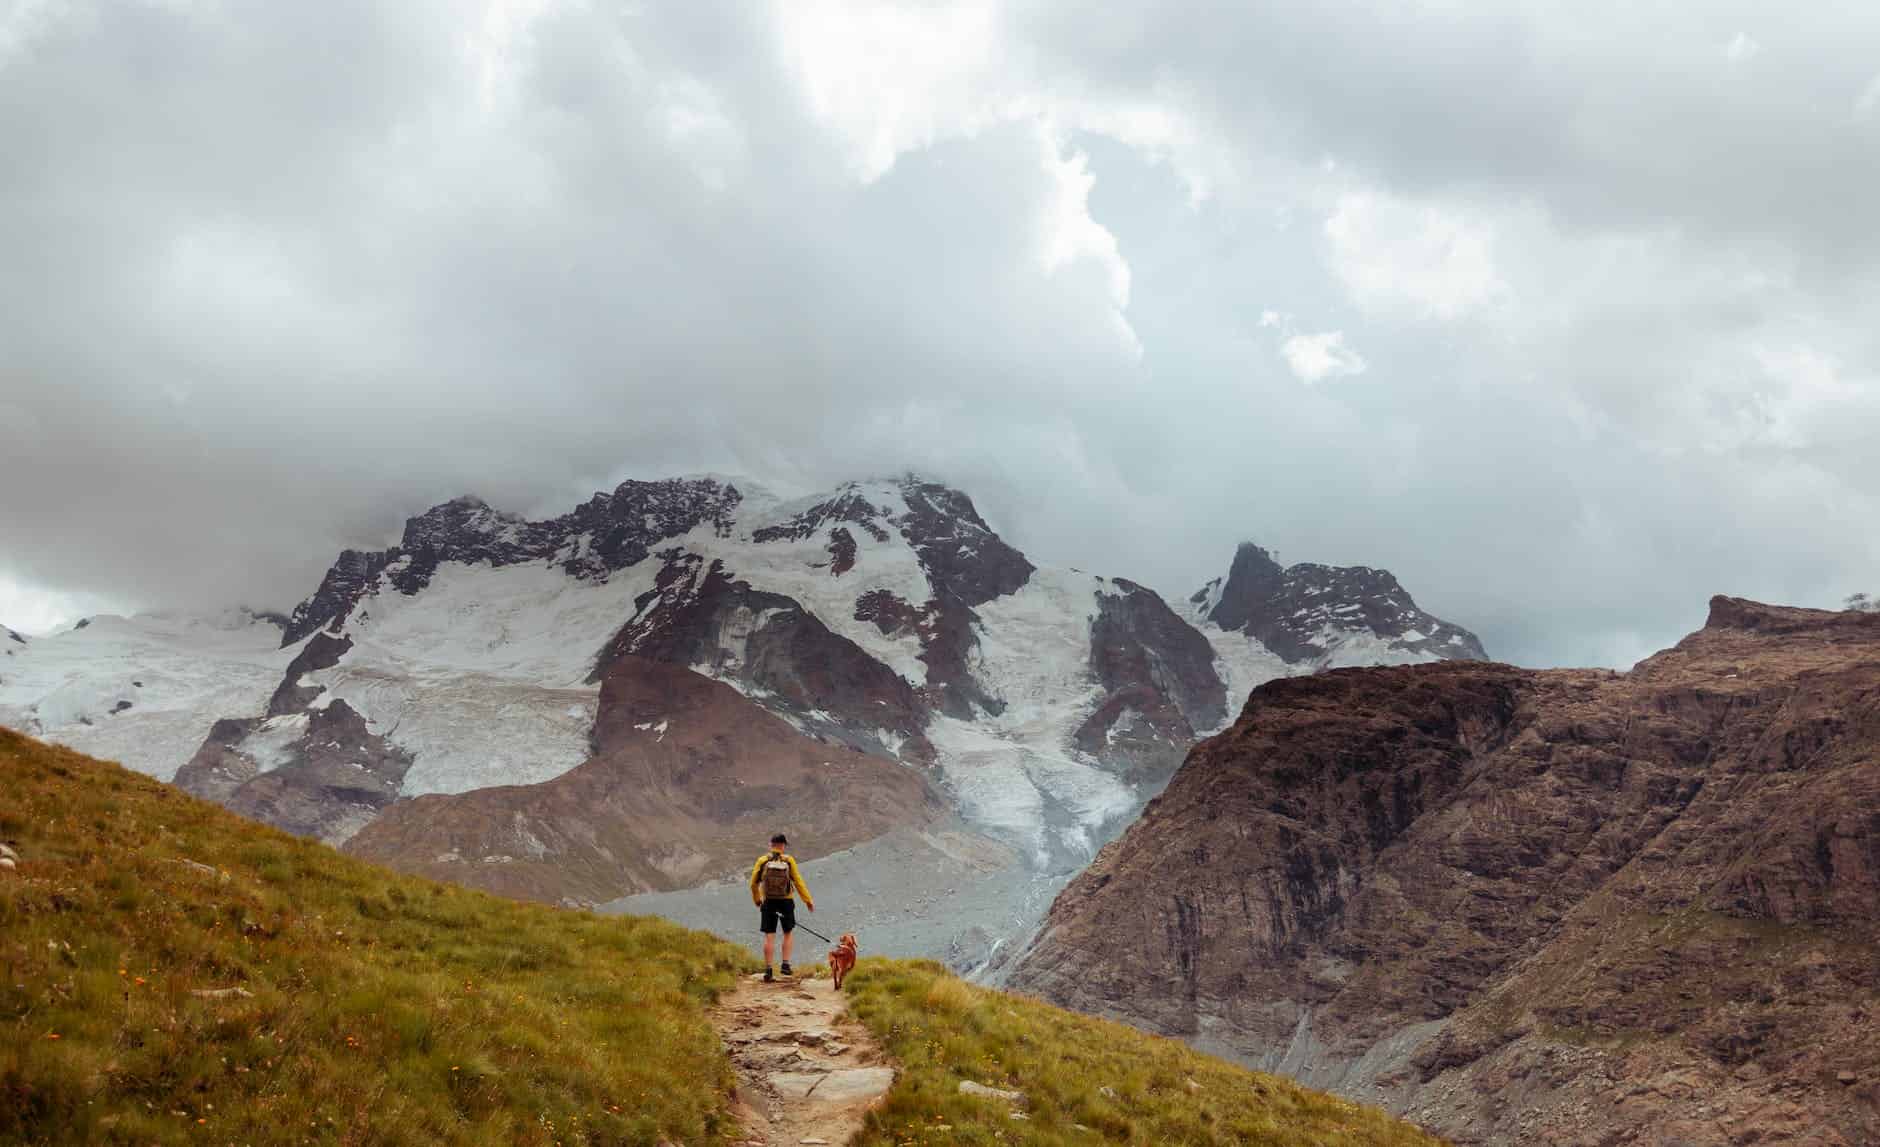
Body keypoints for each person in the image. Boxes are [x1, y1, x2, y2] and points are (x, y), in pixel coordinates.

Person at [749, 832, 814, 982]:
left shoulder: (762, 860)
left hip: (769, 901)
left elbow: (753, 883)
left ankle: (769, 969)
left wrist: (757, 899)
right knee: (787, 933)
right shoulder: (789, 860)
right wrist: (808, 900)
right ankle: (785, 965)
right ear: (783, 845)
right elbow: (798, 882)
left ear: (771, 844)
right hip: (786, 902)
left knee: (769, 936)